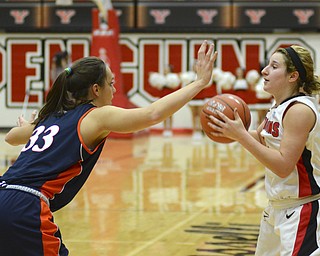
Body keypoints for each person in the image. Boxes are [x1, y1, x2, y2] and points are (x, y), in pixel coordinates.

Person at [0, 40, 217, 255]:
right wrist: (199, 83)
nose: (114, 90)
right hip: (25, 206)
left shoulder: (51, 115)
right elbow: (153, 114)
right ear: (96, 89)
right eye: (111, 83)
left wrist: (31, 126)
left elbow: (11, 137)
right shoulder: (96, 115)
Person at [208, 45, 320, 255]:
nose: (264, 70)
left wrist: (240, 135)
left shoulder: (300, 111)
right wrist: (226, 130)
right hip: (276, 208)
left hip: (302, 211)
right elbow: (260, 138)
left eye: (274, 66)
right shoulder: (279, 105)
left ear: (293, 76)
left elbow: (283, 166)